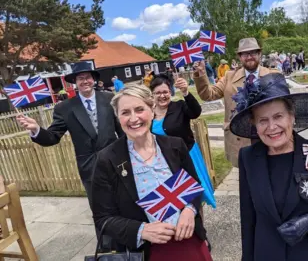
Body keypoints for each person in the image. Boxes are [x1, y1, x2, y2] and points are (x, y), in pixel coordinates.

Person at [230, 73, 308, 261]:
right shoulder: (248, 157)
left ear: (292, 116)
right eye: (263, 120)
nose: (272, 127)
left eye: (278, 116)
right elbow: (248, 217)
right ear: (254, 125)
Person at [92, 84, 212, 261]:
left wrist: (189, 209)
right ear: (118, 117)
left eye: (140, 109)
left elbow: (194, 185)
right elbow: (103, 218)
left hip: (189, 241)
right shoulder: (107, 160)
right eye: (125, 112)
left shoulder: (175, 146)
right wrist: (142, 230)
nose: (134, 118)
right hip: (148, 252)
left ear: (152, 109)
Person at [15, 61, 124, 247]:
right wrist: (36, 129)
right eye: (80, 78)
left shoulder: (109, 98)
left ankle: (129, 241)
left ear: (94, 79)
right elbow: (53, 137)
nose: (85, 81)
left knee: (123, 202)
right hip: (89, 167)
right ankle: (108, 248)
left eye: (88, 77)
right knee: (100, 208)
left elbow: (121, 130)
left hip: (116, 161)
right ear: (75, 82)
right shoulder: (64, 108)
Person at [192, 37, 279, 167]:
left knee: (272, 175)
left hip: (268, 135)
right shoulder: (229, 77)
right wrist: (201, 74)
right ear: (240, 57)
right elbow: (208, 94)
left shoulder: (273, 75)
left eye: (253, 52)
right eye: (245, 53)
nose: (249, 56)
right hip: (240, 138)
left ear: (259, 54)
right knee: (247, 180)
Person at [150, 74, 216, 208]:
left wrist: (186, 92)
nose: (162, 96)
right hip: (163, 162)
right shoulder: (148, 113)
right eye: (158, 93)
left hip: (187, 158)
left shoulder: (179, 106)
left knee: (194, 195)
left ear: (170, 92)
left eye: (165, 92)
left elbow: (195, 112)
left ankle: (198, 224)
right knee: (172, 199)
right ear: (152, 94)